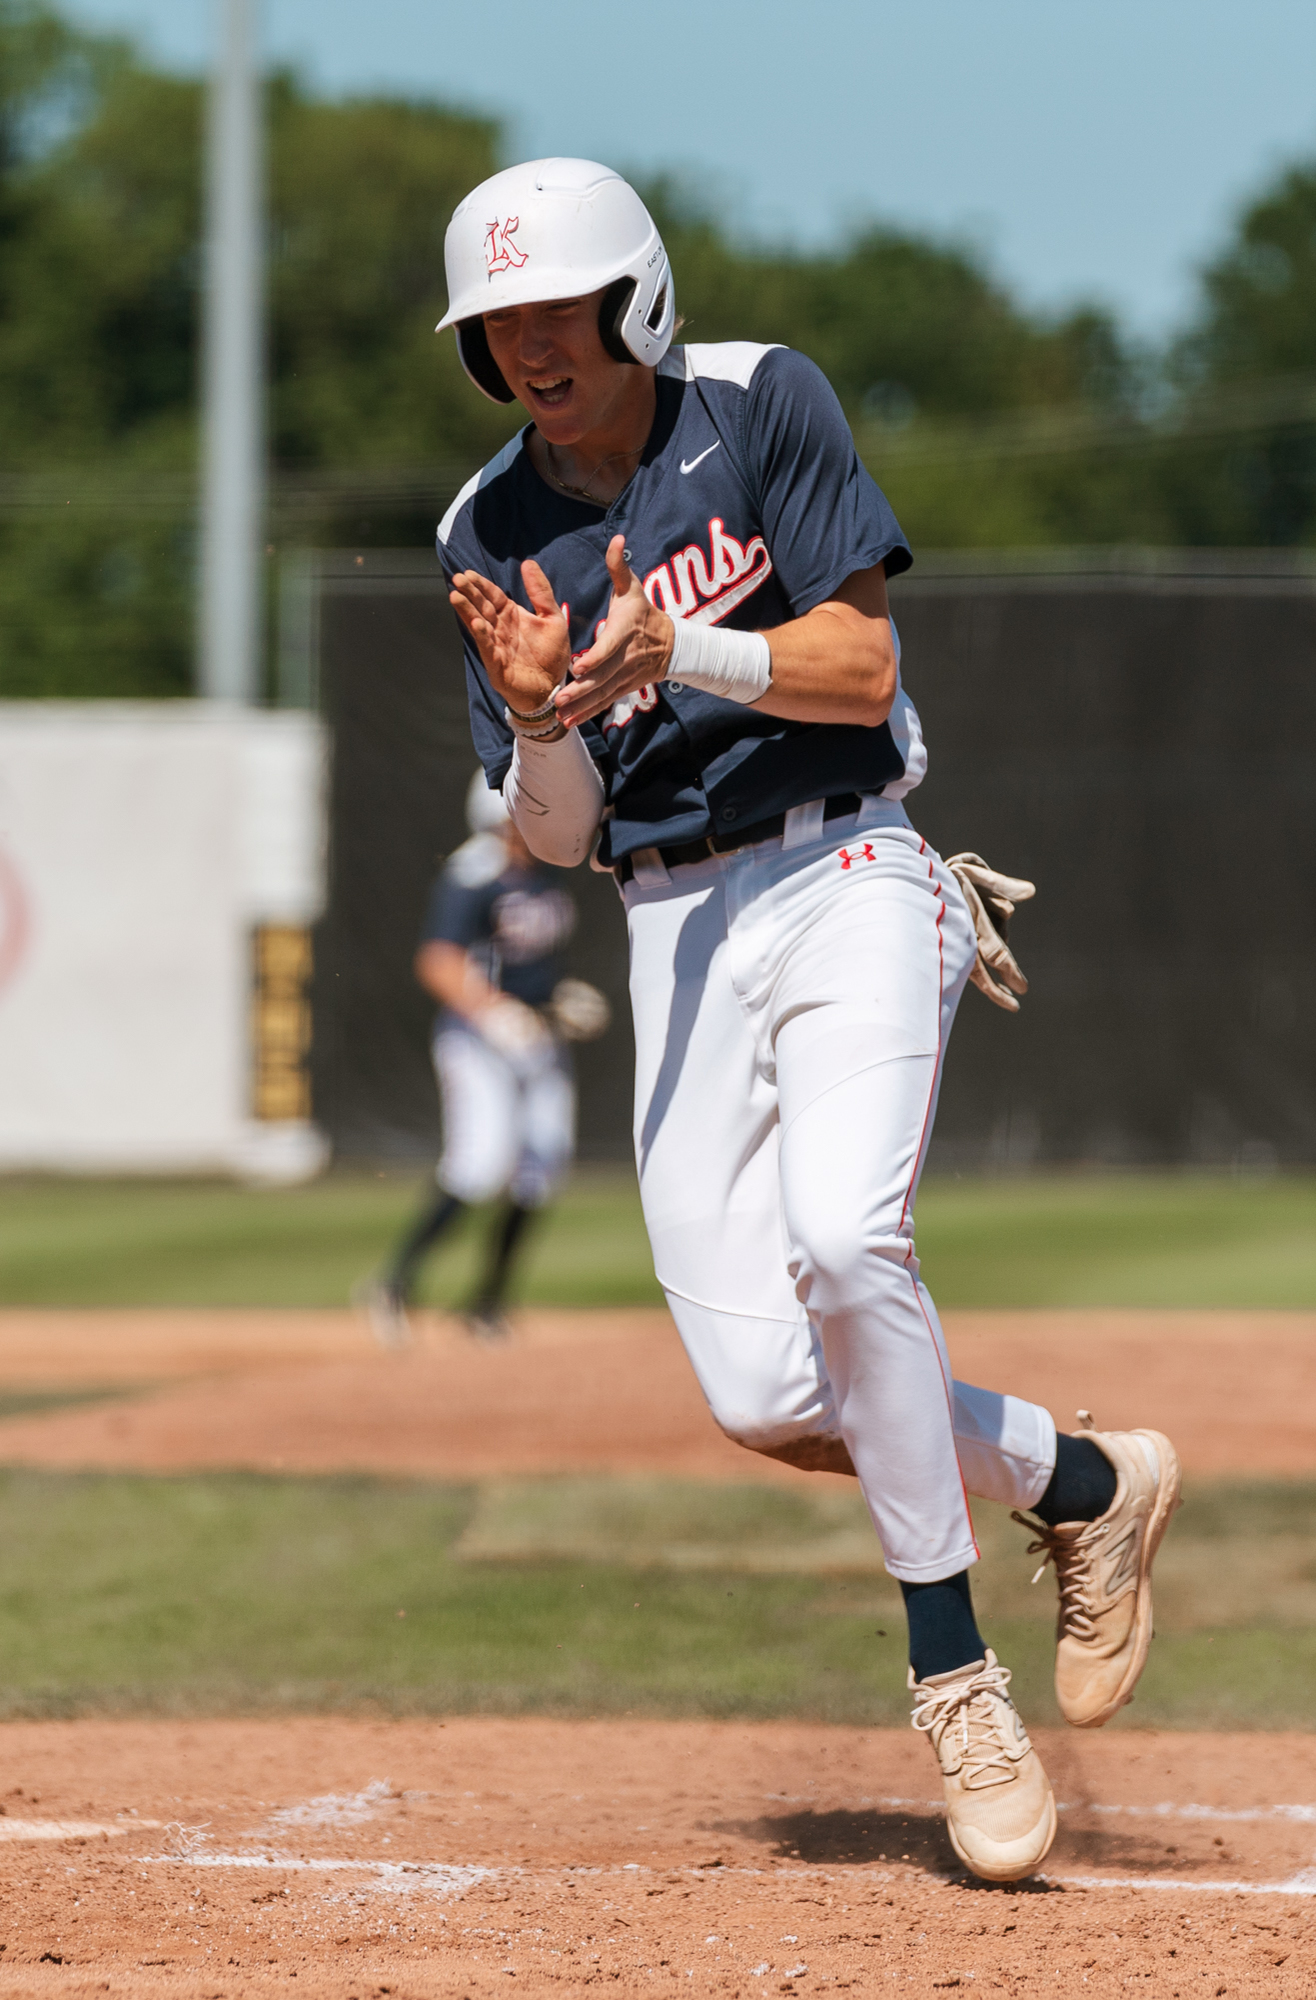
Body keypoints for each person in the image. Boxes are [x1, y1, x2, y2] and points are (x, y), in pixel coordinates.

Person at [432, 160, 1181, 1883]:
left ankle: (952, 1685)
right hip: (670, 919)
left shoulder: (759, 400)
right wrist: (547, 719)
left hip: (847, 865)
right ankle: (1084, 1484)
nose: (530, 350)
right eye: (497, 327)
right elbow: (547, 832)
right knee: (766, 1390)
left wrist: (669, 654)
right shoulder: (489, 530)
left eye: (557, 312)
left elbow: (856, 667)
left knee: (847, 1248)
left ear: (636, 302)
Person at [363, 767, 605, 1345]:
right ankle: (394, 1283)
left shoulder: (546, 872)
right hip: (479, 1039)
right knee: (479, 1164)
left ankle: (487, 1303)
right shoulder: (474, 874)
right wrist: (496, 1013)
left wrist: (555, 1002)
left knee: (540, 1170)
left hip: (537, 1039)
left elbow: (530, 957)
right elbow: (439, 961)